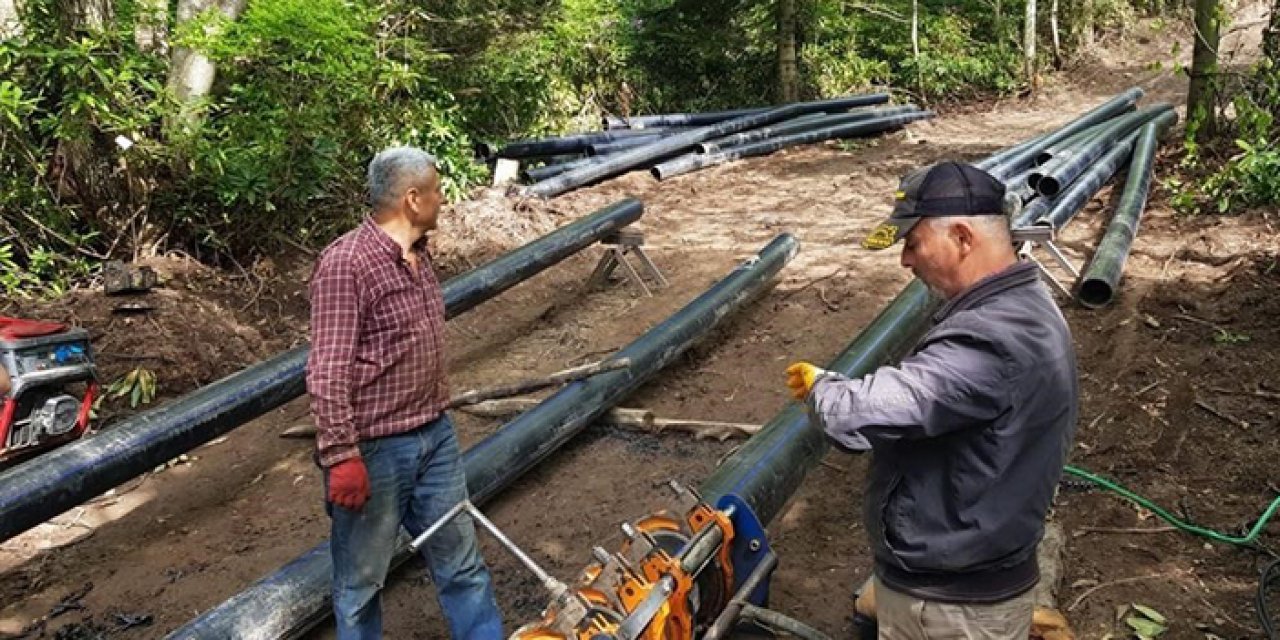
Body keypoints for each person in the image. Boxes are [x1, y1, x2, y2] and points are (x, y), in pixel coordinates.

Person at [784, 161, 1078, 639]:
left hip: (950, 605)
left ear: (963, 238)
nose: (905, 260)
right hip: (975, 570)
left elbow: (862, 413)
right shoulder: (1027, 304)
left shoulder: (992, 338)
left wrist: (824, 390)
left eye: (912, 243)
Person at [306, 146, 503, 640]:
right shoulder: (346, 265)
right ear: (412, 199)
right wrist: (341, 456)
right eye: (436, 190)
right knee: (361, 584)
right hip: (376, 450)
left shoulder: (418, 254)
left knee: (462, 564)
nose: (442, 200)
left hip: (435, 436)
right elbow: (327, 370)